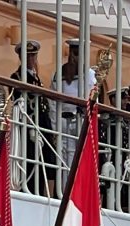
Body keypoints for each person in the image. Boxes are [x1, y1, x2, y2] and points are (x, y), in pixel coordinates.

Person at [10, 40, 56, 196]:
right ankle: (27, 191)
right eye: (28, 56)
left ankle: (40, 192)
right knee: (29, 159)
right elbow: (18, 101)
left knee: (44, 161)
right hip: (28, 126)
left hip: (41, 126)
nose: (31, 60)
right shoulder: (16, 76)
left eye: (33, 56)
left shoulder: (37, 79)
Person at [50, 39, 97, 170]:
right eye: (75, 54)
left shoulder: (87, 74)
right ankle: (67, 188)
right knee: (68, 158)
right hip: (69, 120)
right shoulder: (62, 73)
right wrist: (55, 125)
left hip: (74, 119)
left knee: (74, 158)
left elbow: (91, 96)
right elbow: (53, 101)